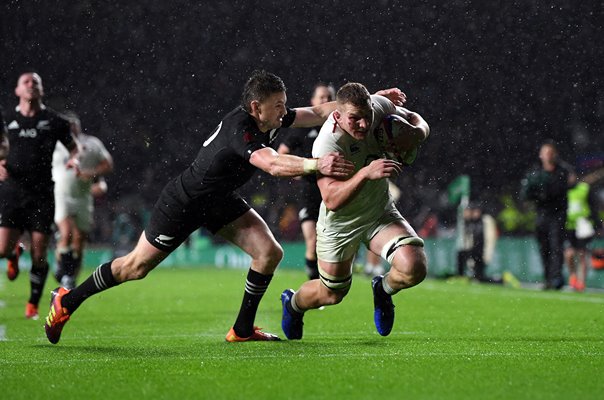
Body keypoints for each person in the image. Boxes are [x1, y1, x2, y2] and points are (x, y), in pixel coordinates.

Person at [43, 70, 406, 344]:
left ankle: (242, 329)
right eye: (278, 106)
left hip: (218, 201)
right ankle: (67, 301)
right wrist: (316, 165)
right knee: (134, 268)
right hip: (185, 201)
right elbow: (271, 164)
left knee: (268, 253)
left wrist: (369, 100)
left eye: (284, 103)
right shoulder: (241, 128)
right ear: (255, 107)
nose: (284, 111)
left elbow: (317, 110)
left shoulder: (273, 118)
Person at [280, 82, 430, 340]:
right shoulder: (328, 144)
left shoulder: (378, 106)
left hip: (378, 212)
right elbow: (332, 199)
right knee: (331, 294)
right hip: (341, 223)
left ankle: (382, 289)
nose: (363, 124)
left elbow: (419, 122)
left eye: (366, 117)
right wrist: (364, 173)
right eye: (354, 119)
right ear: (337, 116)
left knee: (414, 267)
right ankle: (293, 304)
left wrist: (415, 134)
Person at [0, 72, 77, 319]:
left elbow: (75, 149)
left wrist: (75, 161)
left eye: (36, 82)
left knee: (39, 253)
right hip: (12, 190)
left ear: (42, 91)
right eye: (26, 82)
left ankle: (32, 303)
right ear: (17, 91)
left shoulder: (54, 121)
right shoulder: (6, 118)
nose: (31, 85)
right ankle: (13, 252)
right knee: (1, 249)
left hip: (42, 194)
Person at [277, 83, 336, 279]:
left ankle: (331, 279)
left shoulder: (341, 127)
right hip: (309, 189)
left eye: (329, 97)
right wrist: (297, 170)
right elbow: (281, 154)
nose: (325, 101)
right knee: (313, 240)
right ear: (313, 102)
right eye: (321, 98)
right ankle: (314, 283)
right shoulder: (303, 128)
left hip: (336, 188)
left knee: (333, 240)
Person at [52, 112, 114, 289]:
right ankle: (65, 272)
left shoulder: (92, 144)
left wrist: (90, 173)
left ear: (79, 125)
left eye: (74, 124)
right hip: (61, 195)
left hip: (83, 197)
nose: (71, 127)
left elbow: (108, 165)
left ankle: (70, 276)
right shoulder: (55, 144)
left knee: (79, 239)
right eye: (68, 124)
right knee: (66, 232)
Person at [520, 140, 574, 290]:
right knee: (544, 247)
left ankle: (556, 278)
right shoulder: (535, 173)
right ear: (541, 155)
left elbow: (566, 186)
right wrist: (538, 195)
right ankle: (548, 277)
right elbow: (526, 194)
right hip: (542, 214)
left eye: (550, 153)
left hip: (558, 214)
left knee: (556, 246)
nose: (548, 156)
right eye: (545, 153)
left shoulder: (563, 171)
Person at [564, 178, 600, 291]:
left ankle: (581, 282)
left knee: (582, 254)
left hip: (583, 225)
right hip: (569, 226)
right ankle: (573, 275)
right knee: (569, 253)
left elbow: (593, 206)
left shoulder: (584, 188)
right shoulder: (563, 190)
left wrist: (597, 223)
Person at [456, 201, 501, 283]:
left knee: (480, 277)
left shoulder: (486, 220)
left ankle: (499, 280)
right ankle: (461, 276)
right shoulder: (470, 223)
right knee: (461, 254)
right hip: (474, 251)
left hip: (481, 252)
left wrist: (487, 254)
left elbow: (490, 238)